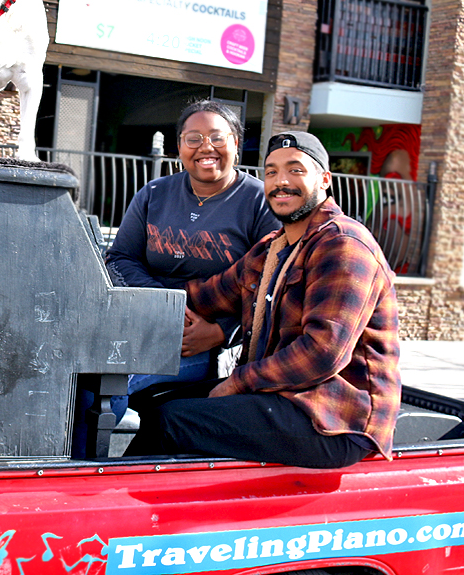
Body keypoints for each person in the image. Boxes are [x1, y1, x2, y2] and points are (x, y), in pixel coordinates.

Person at [125, 131, 401, 468]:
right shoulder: (272, 248)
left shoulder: (344, 245)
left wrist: (238, 382)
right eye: (271, 172)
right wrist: (137, 304)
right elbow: (206, 295)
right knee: (153, 399)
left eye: (295, 170)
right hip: (283, 394)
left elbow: (322, 354)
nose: (281, 181)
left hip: (337, 417)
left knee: (171, 420)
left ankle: (115, 498)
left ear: (324, 180)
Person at [72, 99, 279, 458]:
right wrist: (164, 304)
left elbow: (270, 283)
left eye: (217, 137)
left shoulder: (260, 202)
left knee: (112, 381)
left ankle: (88, 470)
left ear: (236, 143)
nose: (205, 147)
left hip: (204, 343)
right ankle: (72, 467)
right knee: (82, 376)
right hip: (142, 322)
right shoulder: (154, 194)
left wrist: (222, 331)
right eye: (193, 138)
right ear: (179, 145)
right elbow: (120, 257)